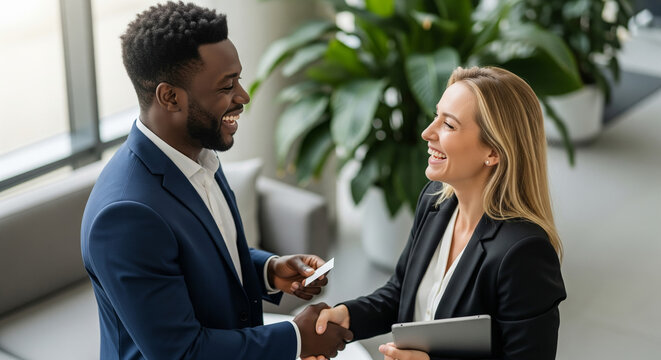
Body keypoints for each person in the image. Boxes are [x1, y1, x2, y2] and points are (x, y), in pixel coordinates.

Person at [80, 2, 351, 359]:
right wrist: (296, 339)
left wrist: (269, 270)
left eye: (238, 78)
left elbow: (204, 256)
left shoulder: (199, 155)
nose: (243, 96)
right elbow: (181, 353)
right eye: (227, 86)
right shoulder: (127, 216)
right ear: (170, 97)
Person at [314, 66, 567, 360]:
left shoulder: (524, 253)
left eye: (449, 125)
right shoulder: (435, 202)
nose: (427, 132)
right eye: (436, 116)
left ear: (493, 152)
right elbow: (400, 293)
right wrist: (347, 316)